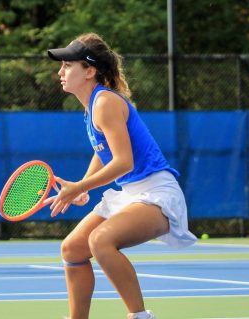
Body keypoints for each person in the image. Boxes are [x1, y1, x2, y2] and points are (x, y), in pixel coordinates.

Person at [45, 33, 196, 319]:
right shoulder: (92, 106)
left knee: (100, 241)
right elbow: (101, 150)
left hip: (156, 192)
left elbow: (123, 162)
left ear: (89, 71)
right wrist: (81, 187)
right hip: (130, 194)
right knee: (72, 249)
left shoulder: (105, 103)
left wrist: (80, 185)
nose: (60, 72)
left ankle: (139, 316)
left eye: (67, 66)